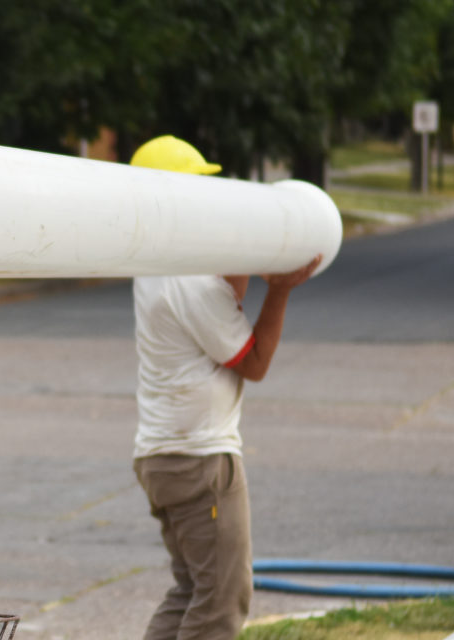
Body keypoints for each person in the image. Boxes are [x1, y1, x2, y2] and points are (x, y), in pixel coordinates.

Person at [128, 136, 321, 640]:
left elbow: (223, 305)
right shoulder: (188, 281)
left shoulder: (155, 265)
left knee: (191, 592)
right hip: (200, 462)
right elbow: (253, 362)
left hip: (164, 457)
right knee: (220, 607)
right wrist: (278, 291)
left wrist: (239, 256)